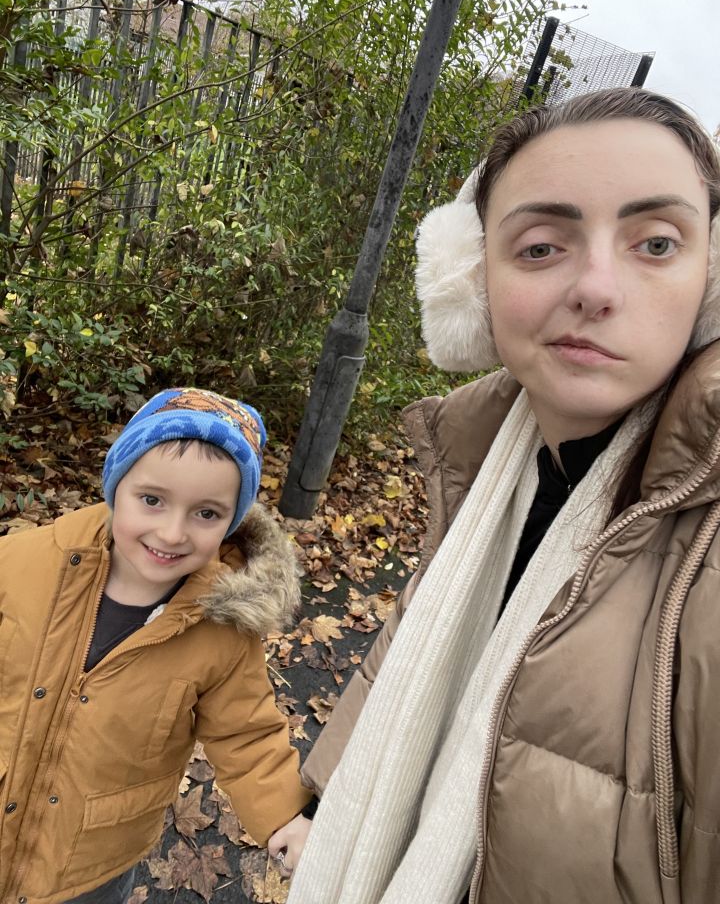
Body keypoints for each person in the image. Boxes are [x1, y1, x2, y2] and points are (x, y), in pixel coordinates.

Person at [288, 87, 720, 903]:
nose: (596, 286)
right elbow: (416, 655)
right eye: (540, 248)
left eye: (656, 243)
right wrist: (325, 796)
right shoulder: (482, 459)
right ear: (472, 288)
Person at [0, 387, 313, 904]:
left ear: (232, 521)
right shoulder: (22, 563)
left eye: (206, 514)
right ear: (116, 488)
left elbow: (246, 734)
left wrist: (283, 815)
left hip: (88, 857)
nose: (171, 532)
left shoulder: (222, 629)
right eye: (152, 501)